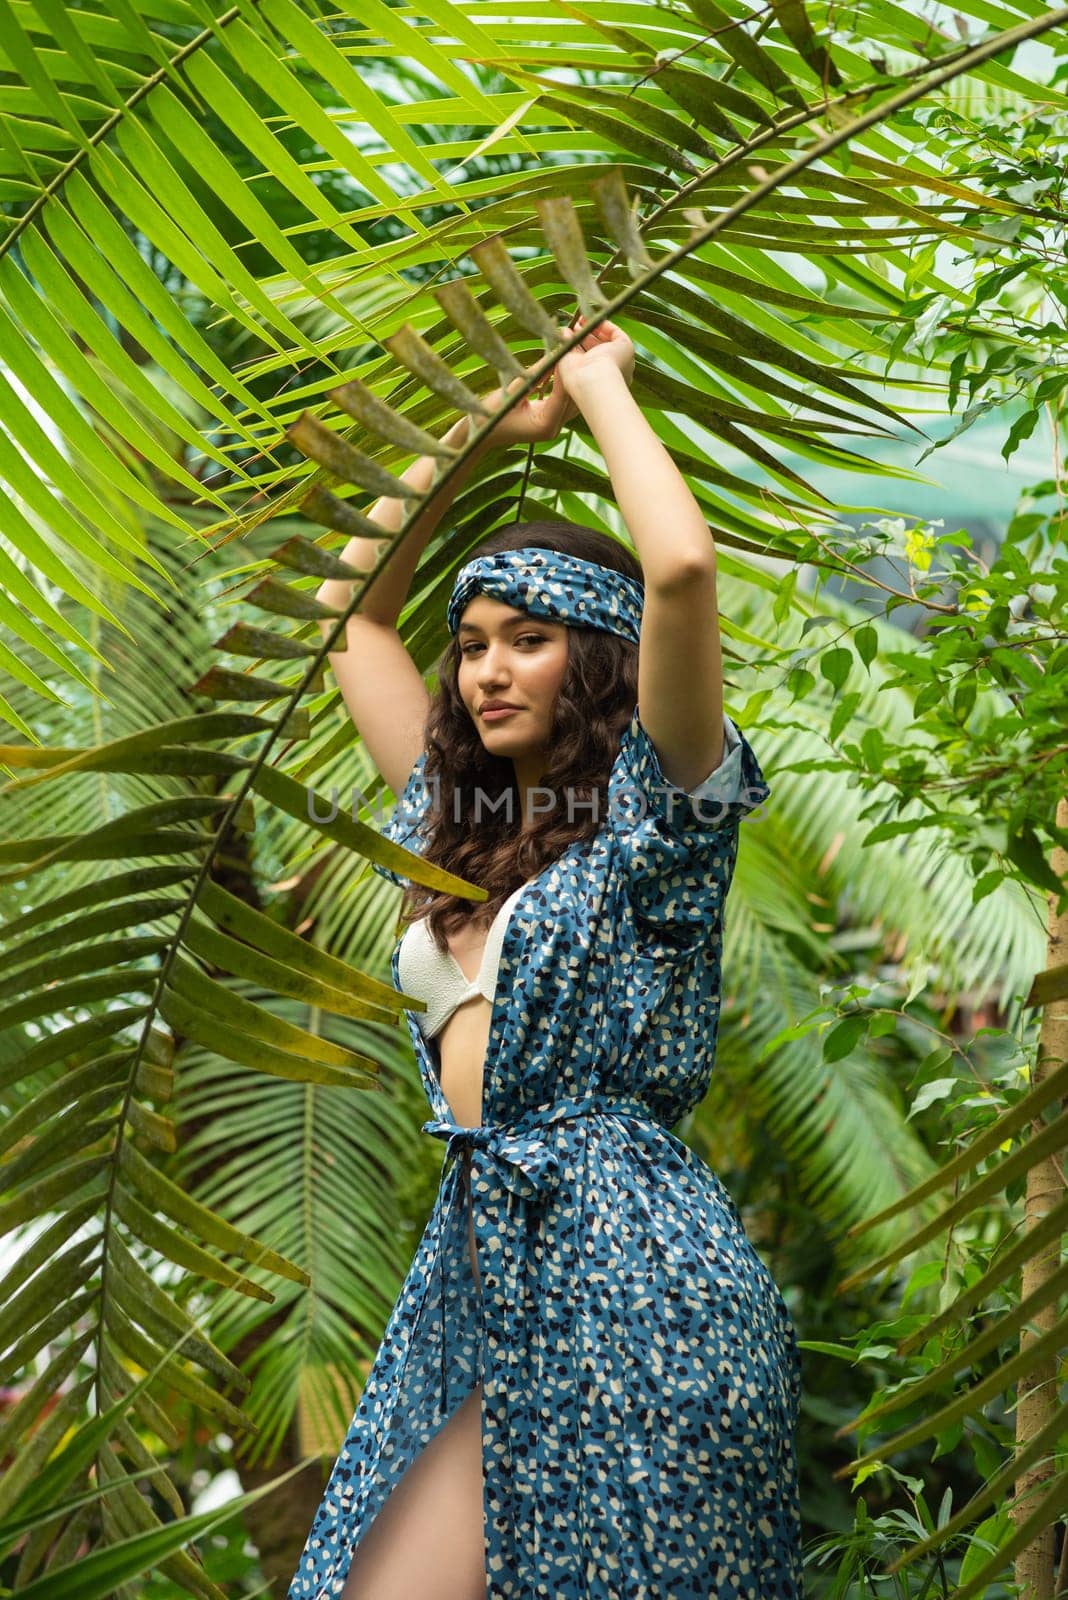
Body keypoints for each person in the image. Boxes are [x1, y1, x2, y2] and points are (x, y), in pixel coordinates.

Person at [288, 318, 804, 1600]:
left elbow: (680, 568)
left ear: (599, 657)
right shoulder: (449, 825)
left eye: (529, 637)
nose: (484, 671)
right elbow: (350, 614)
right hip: (476, 1265)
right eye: (470, 643)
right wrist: (483, 429)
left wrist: (597, 383)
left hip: (633, 1273)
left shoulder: (657, 822)